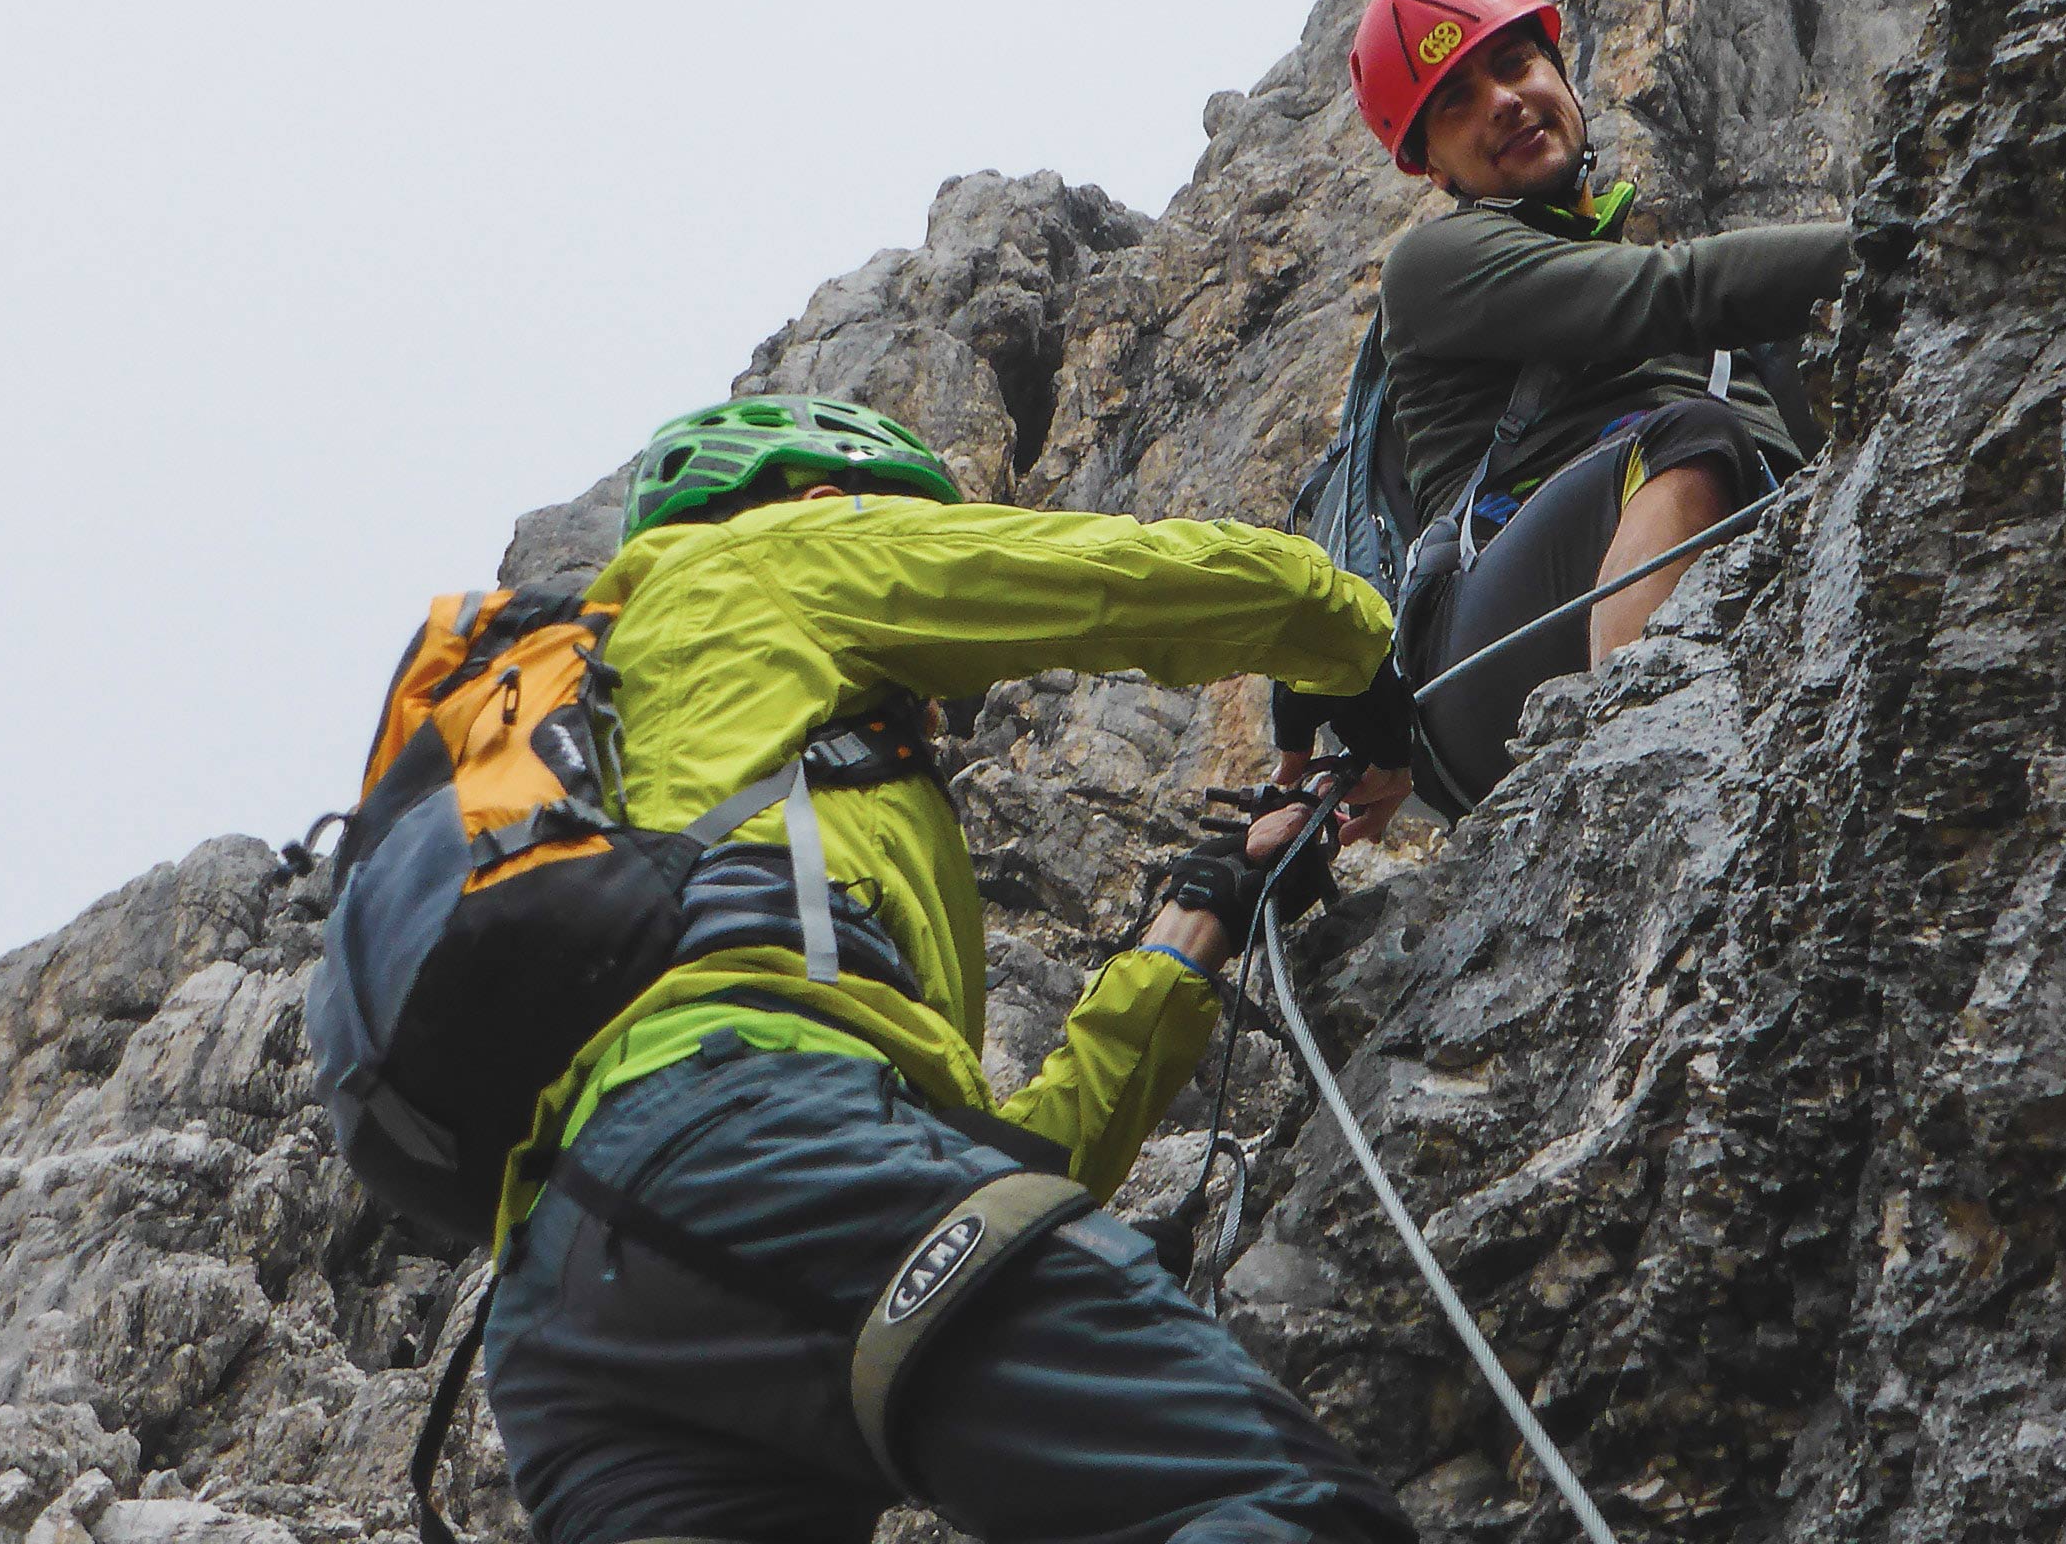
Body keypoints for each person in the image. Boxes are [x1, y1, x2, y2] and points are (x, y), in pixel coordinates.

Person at [478, 395, 1419, 1544]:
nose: (925, 705)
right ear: (826, 502)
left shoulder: (634, 781)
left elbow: (1001, 1164)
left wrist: (1201, 912)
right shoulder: (765, 555)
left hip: (566, 1317)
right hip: (761, 1142)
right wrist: (1353, 646)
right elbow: (1110, 577)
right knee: (1279, 1510)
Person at [1300, 0, 1858, 810]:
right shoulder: (1436, 268)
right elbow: (1678, 292)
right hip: (1480, 658)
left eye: (1517, 65)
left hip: (1686, 543)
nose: (1504, 100)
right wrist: (1899, 231)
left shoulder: (1663, 318)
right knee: (1693, 437)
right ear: (1434, 170)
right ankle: (1637, 751)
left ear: (1560, 74)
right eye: (1456, 102)